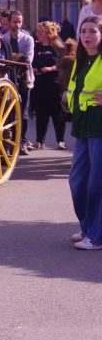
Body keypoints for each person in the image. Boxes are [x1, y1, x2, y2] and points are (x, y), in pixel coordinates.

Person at [67, 15, 102, 250]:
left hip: (99, 125)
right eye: (83, 31)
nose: (87, 36)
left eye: (92, 31)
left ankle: (97, 236)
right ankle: (88, 227)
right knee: (77, 181)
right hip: (82, 125)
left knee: (97, 183)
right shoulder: (80, 59)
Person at [3, 10, 36, 154]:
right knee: (9, 113)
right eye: (15, 22)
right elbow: (3, 59)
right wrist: (18, 58)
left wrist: (12, 58)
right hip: (9, 79)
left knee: (23, 113)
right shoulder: (3, 39)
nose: (17, 24)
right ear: (9, 22)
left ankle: (22, 141)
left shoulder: (28, 39)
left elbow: (28, 59)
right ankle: (10, 142)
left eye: (19, 22)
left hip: (24, 80)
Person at [31, 21, 67, 150]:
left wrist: (51, 68)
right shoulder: (36, 47)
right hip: (39, 84)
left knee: (57, 114)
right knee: (41, 113)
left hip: (55, 85)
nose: (38, 34)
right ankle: (39, 141)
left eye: (40, 32)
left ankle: (60, 141)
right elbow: (30, 61)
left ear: (47, 33)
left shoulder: (58, 47)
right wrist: (33, 68)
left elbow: (65, 63)